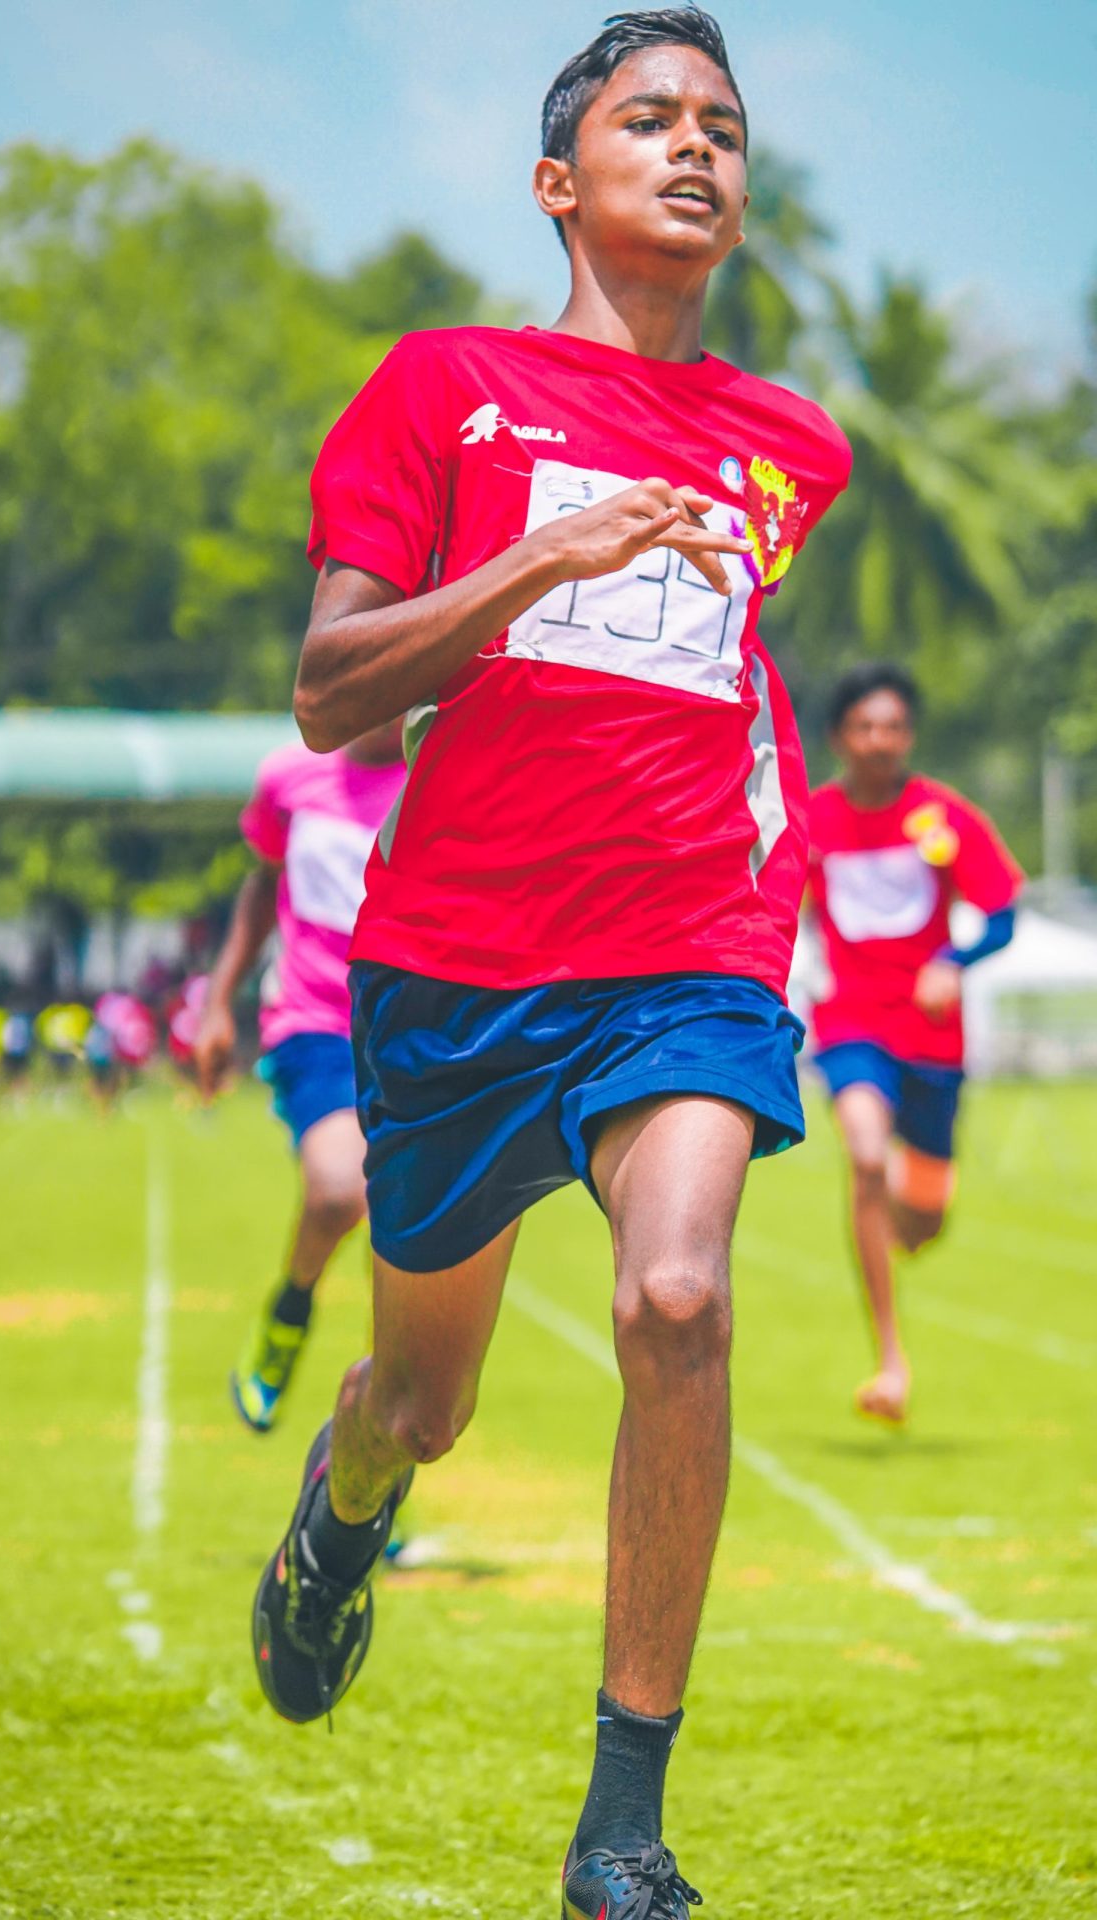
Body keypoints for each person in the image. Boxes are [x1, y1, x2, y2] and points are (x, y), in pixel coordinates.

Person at [249, 11, 852, 1916]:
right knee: (426, 1401)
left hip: (686, 948)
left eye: (725, 128)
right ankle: (345, 1508)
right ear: (556, 180)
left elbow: (717, 684)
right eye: (650, 118)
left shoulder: (789, 450)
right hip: (455, 973)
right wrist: (543, 561)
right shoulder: (444, 388)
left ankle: (620, 1830)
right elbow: (333, 694)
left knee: (677, 1301)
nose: (697, 148)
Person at [806, 662, 1021, 1425]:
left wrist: (952, 961)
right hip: (851, 1024)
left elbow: (1002, 913)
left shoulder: (942, 817)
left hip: (931, 1037)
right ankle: (889, 1361)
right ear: (839, 737)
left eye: (893, 727)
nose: (880, 741)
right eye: (865, 726)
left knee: (922, 1225)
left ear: (909, 736)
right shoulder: (814, 821)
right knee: (865, 1157)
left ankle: (906, 1195)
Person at [195, 721, 406, 1433]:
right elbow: (262, 884)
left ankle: (374, 1466)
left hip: (412, 1035)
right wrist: (218, 1002)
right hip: (315, 1023)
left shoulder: (441, 779)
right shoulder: (291, 778)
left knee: (402, 1245)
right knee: (340, 1190)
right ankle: (287, 1317)